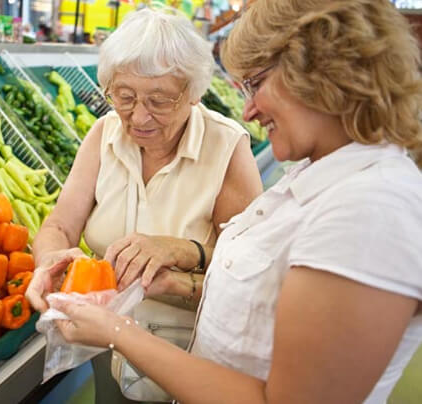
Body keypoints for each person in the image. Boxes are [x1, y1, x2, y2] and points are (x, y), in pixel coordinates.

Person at [47, 0, 422, 403]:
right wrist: (172, 281)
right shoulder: (318, 179)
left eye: (256, 83)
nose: (249, 109)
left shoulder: (372, 210)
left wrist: (117, 332)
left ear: (322, 74)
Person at [25, 7, 263, 403]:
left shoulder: (226, 146)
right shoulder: (104, 133)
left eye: (160, 100)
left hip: (191, 357)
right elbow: (60, 226)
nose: (138, 116)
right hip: (104, 348)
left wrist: (183, 252)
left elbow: (250, 275)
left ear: (193, 93)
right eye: (124, 96)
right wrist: (49, 260)